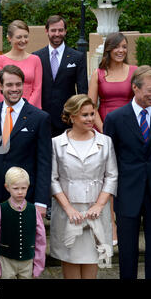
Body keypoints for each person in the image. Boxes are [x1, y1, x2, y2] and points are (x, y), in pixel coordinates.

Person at [104, 65, 151, 279]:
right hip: (128, 193)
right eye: (150, 90)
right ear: (135, 88)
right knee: (127, 253)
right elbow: (111, 158)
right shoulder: (115, 119)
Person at [50, 94, 118, 279]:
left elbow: (111, 176)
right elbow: (52, 179)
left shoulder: (105, 142)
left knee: (93, 259)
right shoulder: (56, 143)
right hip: (68, 213)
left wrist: (99, 205)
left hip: (96, 211)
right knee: (70, 259)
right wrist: (69, 209)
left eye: (92, 114)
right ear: (72, 117)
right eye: (85, 115)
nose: (90, 119)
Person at [0, 65, 52, 224]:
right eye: (9, 85)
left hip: (26, 194)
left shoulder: (39, 117)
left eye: (18, 84)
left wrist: (42, 201)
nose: (14, 89)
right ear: (0, 86)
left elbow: (44, 162)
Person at [88, 32, 137, 246]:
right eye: (117, 47)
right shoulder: (98, 73)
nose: (121, 51)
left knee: (124, 180)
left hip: (129, 133)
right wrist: (104, 132)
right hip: (103, 131)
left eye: (124, 47)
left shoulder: (135, 72)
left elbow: (139, 104)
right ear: (109, 49)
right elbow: (91, 106)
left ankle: (124, 223)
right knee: (106, 179)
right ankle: (110, 226)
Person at [33, 15, 88, 137]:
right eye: (53, 30)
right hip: (42, 117)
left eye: (60, 30)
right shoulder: (36, 57)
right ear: (46, 31)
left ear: (65, 31)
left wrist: (80, 114)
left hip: (68, 118)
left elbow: (82, 90)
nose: (57, 34)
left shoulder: (77, 57)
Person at [0, 167, 46, 279]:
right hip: (6, 261)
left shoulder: (33, 210)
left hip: (27, 261)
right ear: (7, 187)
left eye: (23, 188)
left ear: (28, 187)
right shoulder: (0, 209)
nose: (20, 192)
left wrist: (38, 266)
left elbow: (41, 239)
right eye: (15, 188)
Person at [0, 20, 43, 108]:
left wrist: (25, 109)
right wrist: (8, 110)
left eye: (26, 36)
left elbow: (37, 89)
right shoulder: (0, 60)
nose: (23, 40)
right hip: (6, 110)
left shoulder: (36, 59)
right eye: (19, 37)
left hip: (30, 109)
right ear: (9, 38)